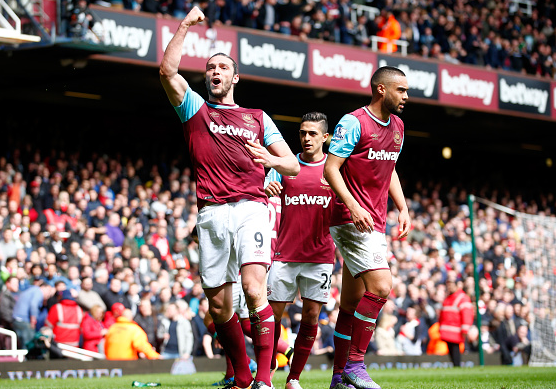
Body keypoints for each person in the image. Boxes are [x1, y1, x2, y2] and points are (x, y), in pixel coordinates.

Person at [159, 7, 299, 389]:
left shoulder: (257, 116)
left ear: (235, 77)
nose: (215, 72)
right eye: (210, 68)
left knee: (254, 289)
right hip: (211, 213)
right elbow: (167, 72)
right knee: (219, 307)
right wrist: (185, 25)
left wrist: (270, 160)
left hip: (250, 208)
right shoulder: (195, 111)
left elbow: (291, 165)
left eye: (222, 67)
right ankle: (241, 377)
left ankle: (265, 380)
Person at [323, 66, 410, 389]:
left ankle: (338, 378)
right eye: (400, 90)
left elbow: (390, 168)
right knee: (382, 286)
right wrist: (354, 204)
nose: (406, 97)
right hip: (350, 218)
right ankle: (355, 365)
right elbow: (331, 170)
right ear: (381, 90)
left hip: (374, 219)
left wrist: (402, 206)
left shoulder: (398, 127)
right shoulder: (353, 122)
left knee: (349, 304)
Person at [265, 112, 336, 389]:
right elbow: (261, 191)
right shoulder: (285, 164)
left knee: (310, 317)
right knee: (272, 316)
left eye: (313, 134)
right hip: (285, 255)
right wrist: (266, 188)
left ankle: (293, 378)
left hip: (320, 258)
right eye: (303, 133)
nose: (306, 138)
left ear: (325, 138)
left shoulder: (333, 170)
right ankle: (265, 373)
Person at [439, 280, 474, 367]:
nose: (449, 287)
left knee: (455, 349)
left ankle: (457, 365)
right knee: (450, 349)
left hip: (456, 329)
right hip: (448, 329)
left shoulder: (462, 298)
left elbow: (466, 314)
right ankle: (455, 365)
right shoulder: (448, 298)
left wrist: (465, 329)